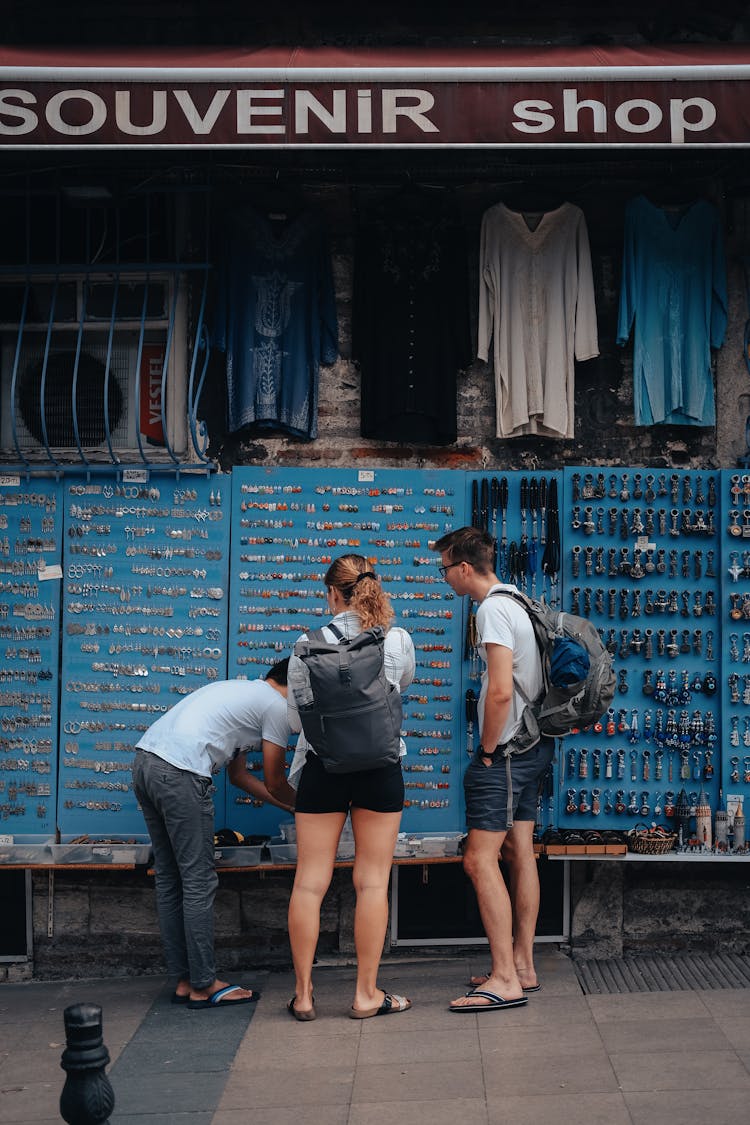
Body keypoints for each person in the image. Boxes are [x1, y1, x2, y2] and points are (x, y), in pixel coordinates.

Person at [285, 554, 415, 1021]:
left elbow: (296, 713)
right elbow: (399, 689)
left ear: (331, 593)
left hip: (323, 768)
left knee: (309, 882)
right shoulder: (396, 639)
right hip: (380, 768)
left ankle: (303, 994)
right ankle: (365, 994)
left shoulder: (305, 644)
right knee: (372, 880)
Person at [433, 527, 554, 1013]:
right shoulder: (519, 600)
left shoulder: (491, 610)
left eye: (444, 568)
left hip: (504, 753)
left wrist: (486, 750)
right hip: (534, 747)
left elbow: (501, 690)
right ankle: (522, 965)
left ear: (464, 567)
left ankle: (504, 978)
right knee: (520, 851)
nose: (442, 577)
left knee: (478, 859)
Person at [132, 660, 296, 1009]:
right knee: (197, 881)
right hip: (180, 772)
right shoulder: (278, 708)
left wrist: (291, 809)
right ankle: (204, 984)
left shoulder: (244, 692)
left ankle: (184, 980)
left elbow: (238, 776)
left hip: (146, 761)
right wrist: (310, 808)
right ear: (294, 686)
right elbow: (276, 780)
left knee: (170, 878)